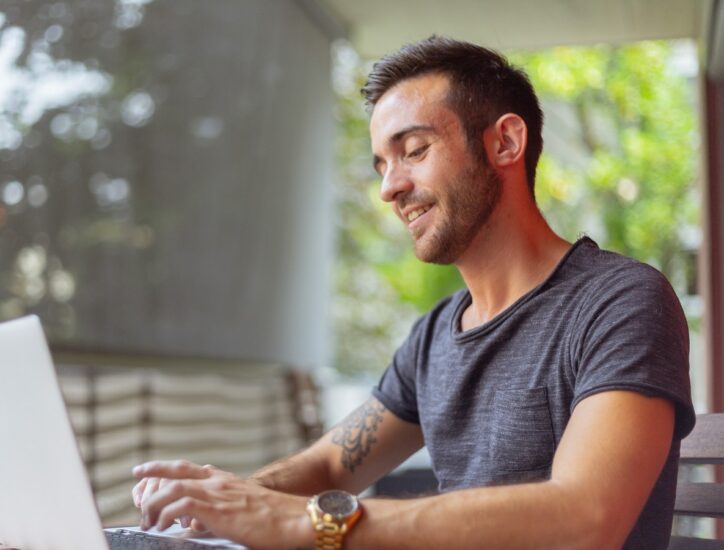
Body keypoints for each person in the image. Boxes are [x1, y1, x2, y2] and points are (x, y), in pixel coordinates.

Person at [131, 36, 695, 549]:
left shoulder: (620, 302)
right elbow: (331, 468)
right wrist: (228, 501)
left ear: (504, 142)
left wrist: (305, 523)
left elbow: (586, 518)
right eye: (381, 163)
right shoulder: (435, 335)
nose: (389, 188)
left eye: (415, 150)